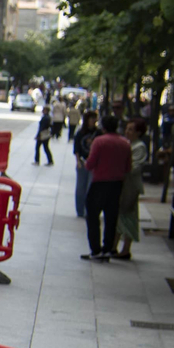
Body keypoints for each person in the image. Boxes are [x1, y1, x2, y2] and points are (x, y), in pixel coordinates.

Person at [83, 114, 129, 260]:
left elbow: (90, 164)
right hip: (117, 184)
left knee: (92, 216)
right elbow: (128, 167)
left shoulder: (99, 141)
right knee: (111, 217)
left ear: (103, 127)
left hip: (100, 182)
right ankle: (108, 248)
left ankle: (95, 249)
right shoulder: (125, 143)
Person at [116, 118, 150, 259]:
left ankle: (125, 249)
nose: (127, 132)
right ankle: (114, 247)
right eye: (127, 128)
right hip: (124, 185)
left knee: (128, 216)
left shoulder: (139, 147)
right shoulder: (128, 144)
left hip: (130, 187)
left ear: (138, 132)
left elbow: (134, 167)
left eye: (130, 129)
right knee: (120, 216)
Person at [72, 109, 100, 218]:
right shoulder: (80, 133)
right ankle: (80, 210)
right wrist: (78, 161)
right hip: (83, 162)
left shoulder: (98, 133)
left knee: (90, 188)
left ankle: (89, 210)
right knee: (80, 188)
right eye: (92, 118)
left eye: (95, 118)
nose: (93, 121)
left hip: (94, 163)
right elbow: (77, 149)